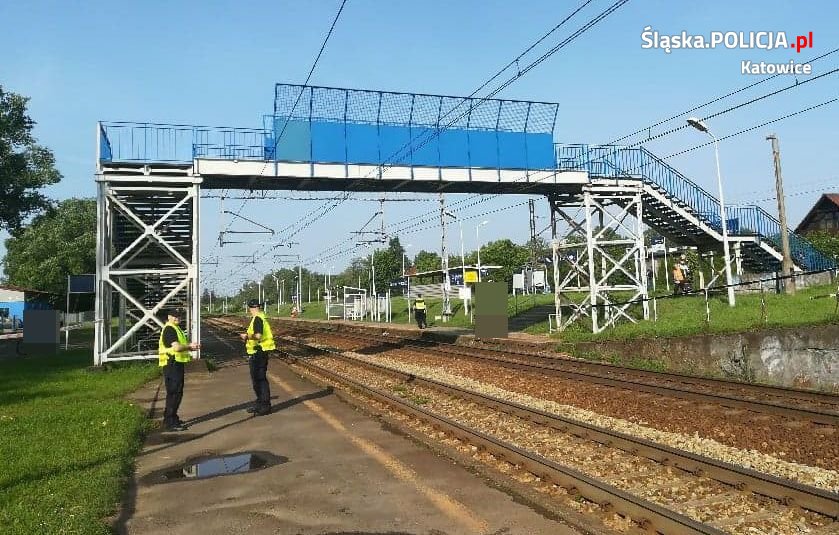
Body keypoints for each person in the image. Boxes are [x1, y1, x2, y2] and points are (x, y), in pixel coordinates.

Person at [158, 308, 200, 431]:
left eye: (179, 316)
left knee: (176, 393)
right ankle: (170, 422)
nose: (178, 318)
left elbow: (179, 347)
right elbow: (176, 348)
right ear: (169, 317)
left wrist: (190, 348)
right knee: (174, 393)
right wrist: (189, 346)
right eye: (175, 316)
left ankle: (171, 418)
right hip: (172, 364)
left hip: (175, 364)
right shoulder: (170, 329)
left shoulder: (175, 328)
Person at [239, 299, 275, 415]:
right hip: (258, 352)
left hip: (259, 352)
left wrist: (246, 336)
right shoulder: (260, 317)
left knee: (260, 380)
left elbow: (258, 335)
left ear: (250, 308)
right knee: (257, 380)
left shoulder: (258, 319)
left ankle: (265, 406)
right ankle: (260, 403)